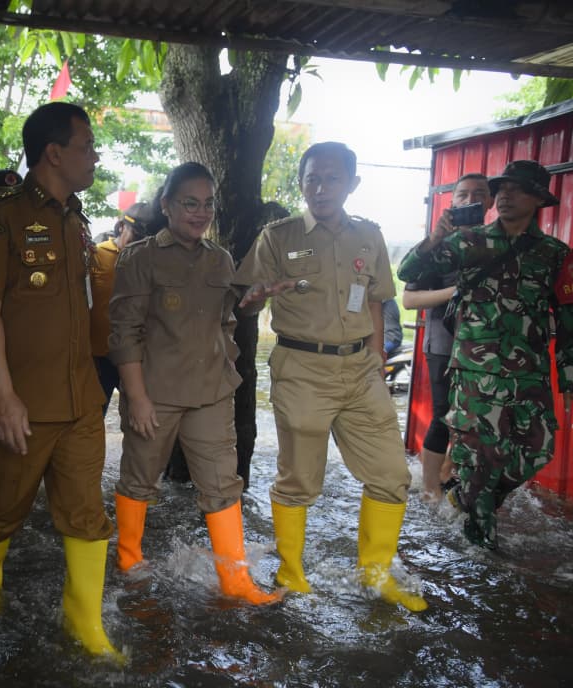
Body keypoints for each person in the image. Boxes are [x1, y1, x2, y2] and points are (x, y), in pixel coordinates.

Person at [0, 102, 121, 660]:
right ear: (55, 153)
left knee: (86, 514)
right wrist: (2, 396)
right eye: (88, 145)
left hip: (81, 400)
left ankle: (86, 626)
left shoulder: (77, 219)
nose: (95, 155)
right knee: (2, 509)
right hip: (24, 404)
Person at [238, 141, 427, 612]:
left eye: (332, 178)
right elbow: (246, 299)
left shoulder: (369, 235)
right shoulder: (277, 236)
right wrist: (257, 295)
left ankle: (377, 574)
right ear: (301, 182)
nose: (320, 188)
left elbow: (380, 298)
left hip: (361, 370)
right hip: (302, 368)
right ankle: (291, 572)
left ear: (352, 183)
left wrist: (376, 359)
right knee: (299, 480)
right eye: (311, 178)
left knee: (391, 474)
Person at [109, 162, 282, 605]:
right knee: (139, 479)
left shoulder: (220, 259)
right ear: (166, 205)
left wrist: (251, 303)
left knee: (223, 484)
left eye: (207, 204)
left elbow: (227, 317)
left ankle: (235, 580)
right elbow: (124, 334)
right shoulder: (139, 257)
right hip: (157, 394)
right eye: (190, 203)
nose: (200, 212)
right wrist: (137, 398)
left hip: (211, 392)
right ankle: (129, 559)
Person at [398, 160, 573, 550]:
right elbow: (408, 272)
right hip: (474, 371)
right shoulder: (470, 242)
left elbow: (570, 321)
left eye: (517, 189)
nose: (504, 195)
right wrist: (435, 237)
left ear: (538, 199)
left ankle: (464, 500)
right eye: (501, 188)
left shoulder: (554, 254)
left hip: (528, 372)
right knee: (481, 461)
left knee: (539, 447)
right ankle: (482, 555)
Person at [401, 173, 493, 501]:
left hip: (486, 349)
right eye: (463, 195)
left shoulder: (497, 243)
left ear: (491, 202)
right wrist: (455, 291)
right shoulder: (438, 248)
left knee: (475, 417)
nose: (470, 201)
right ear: (451, 202)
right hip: (444, 343)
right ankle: (430, 490)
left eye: (479, 194)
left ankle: (446, 474)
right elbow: (409, 299)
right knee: (443, 415)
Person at [90, 202, 152, 414]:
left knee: (141, 417)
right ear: (120, 227)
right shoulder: (95, 256)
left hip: (137, 358)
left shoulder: (151, 261)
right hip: (100, 357)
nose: (140, 242)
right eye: (136, 234)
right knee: (93, 418)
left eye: (146, 237)